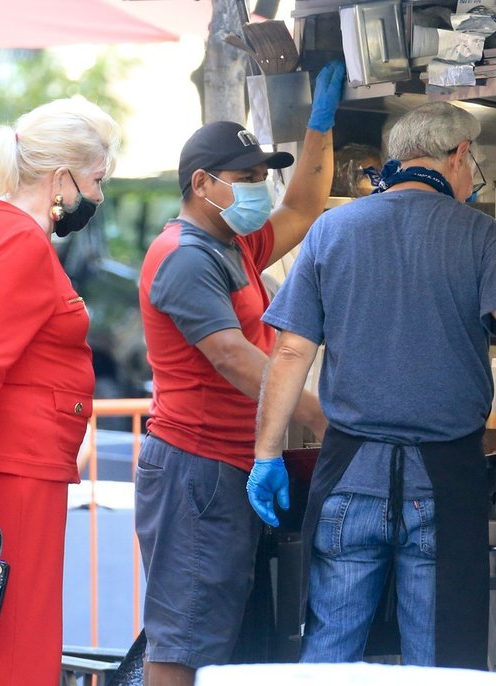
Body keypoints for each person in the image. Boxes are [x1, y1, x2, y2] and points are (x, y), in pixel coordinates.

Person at [250, 101, 496, 669]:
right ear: (458, 156)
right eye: (472, 160)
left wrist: (266, 455)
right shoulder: (481, 235)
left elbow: (289, 351)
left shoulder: (333, 229)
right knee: (438, 661)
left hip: (350, 474)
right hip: (444, 480)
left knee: (330, 651)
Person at [135, 60, 345, 685]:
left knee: (219, 636)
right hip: (195, 470)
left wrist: (321, 122)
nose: (260, 189)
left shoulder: (234, 243)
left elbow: (305, 206)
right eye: (247, 178)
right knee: (183, 640)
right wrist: (322, 421)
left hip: (231, 463)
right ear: (203, 183)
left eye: (261, 177)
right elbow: (234, 357)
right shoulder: (183, 258)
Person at [0, 96, 121, 686]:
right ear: (62, 177)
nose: (100, 197)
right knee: (22, 650)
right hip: (20, 470)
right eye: (97, 180)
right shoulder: (24, 244)